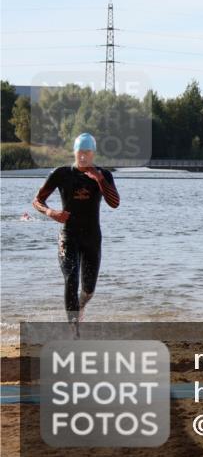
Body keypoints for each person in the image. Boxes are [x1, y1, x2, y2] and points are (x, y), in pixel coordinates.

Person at [32, 133, 120, 333]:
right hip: (68, 237)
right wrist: (50, 212)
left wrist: (99, 180)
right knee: (71, 277)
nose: (83, 157)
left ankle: (80, 306)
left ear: (93, 153)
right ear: (74, 152)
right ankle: (73, 330)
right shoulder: (61, 174)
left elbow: (115, 203)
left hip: (92, 238)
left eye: (87, 153)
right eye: (80, 152)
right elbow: (37, 200)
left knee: (88, 290)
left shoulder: (103, 175)